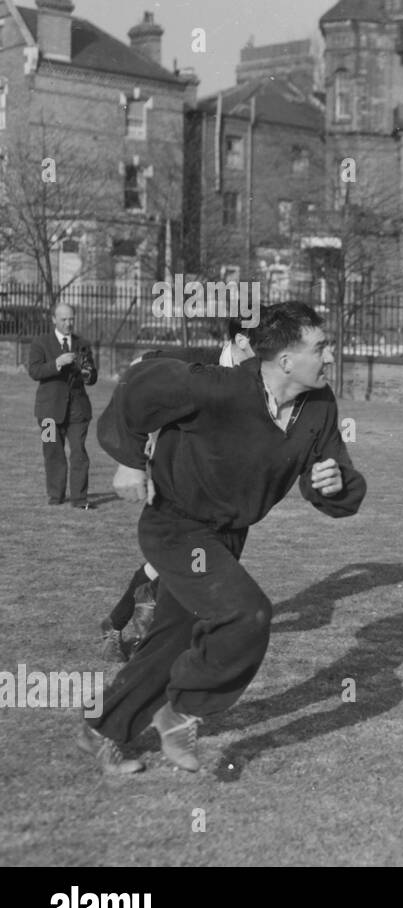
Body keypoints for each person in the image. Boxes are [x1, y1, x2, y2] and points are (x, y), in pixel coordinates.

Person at [77, 301, 366, 775]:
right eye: (321, 347)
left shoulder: (319, 405)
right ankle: (181, 711)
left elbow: (329, 474)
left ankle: (103, 728)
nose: (331, 356)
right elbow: (139, 383)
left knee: (173, 638)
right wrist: (129, 459)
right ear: (287, 360)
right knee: (245, 614)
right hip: (175, 525)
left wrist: (333, 485)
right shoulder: (219, 387)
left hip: (227, 536)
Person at [98, 318, 259, 662]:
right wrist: (135, 452)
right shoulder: (192, 358)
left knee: (183, 560)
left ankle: (126, 619)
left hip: (220, 483)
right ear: (242, 340)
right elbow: (139, 372)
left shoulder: (260, 377)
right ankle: (134, 625)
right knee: (176, 555)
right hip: (175, 473)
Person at [29, 302, 98, 510]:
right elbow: (34, 371)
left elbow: (92, 376)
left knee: (79, 453)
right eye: (64, 319)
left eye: (71, 319)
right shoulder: (40, 343)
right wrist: (58, 363)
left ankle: (79, 499)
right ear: (53, 320)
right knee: (52, 451)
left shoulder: (83, 343)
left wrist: (87, 374)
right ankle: (56, 495)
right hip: (48, 412)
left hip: (78, 410)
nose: (68, 324)